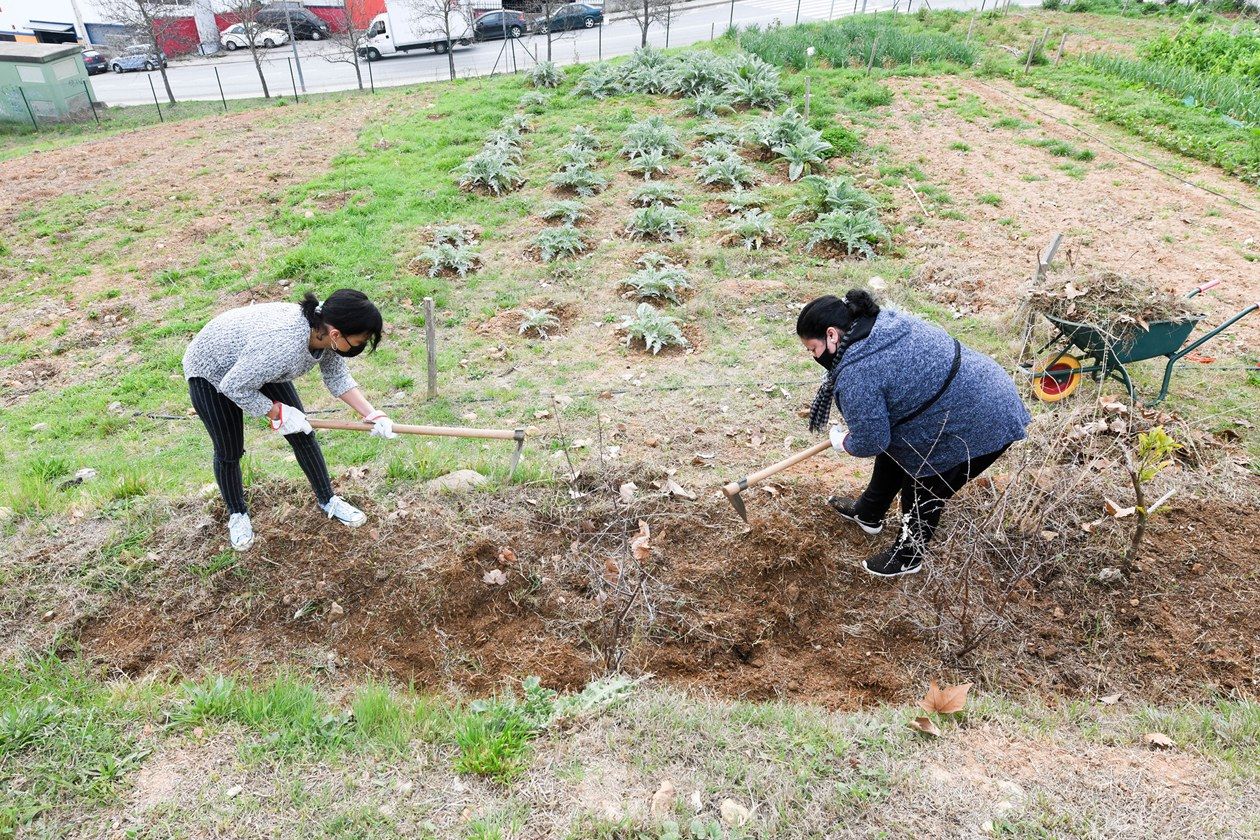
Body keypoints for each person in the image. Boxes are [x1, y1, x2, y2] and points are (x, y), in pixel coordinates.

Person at [797, 290, 1031, 578]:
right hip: (974, 387)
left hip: (981, 418)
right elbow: (883, 431)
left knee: (925, 483)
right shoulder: (882, 324)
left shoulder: (857, 372)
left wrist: (843, 441)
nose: (813, 356)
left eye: (812, 348)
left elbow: (871, 440)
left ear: (832, 335)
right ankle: (869, 513)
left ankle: (908, 556)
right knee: (899, 446)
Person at [183, 289, 398, 552]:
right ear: (335, 334)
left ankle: (328, 499)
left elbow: (338, 379)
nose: (359, 347)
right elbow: (234, 386)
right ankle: (237, 514)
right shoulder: (283, 346)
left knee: (303, 434)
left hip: (254, 362)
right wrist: (276, 412)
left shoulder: (327, 331)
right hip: (212, 370)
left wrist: (372, 414)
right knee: (229, 449)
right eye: (359, 341)